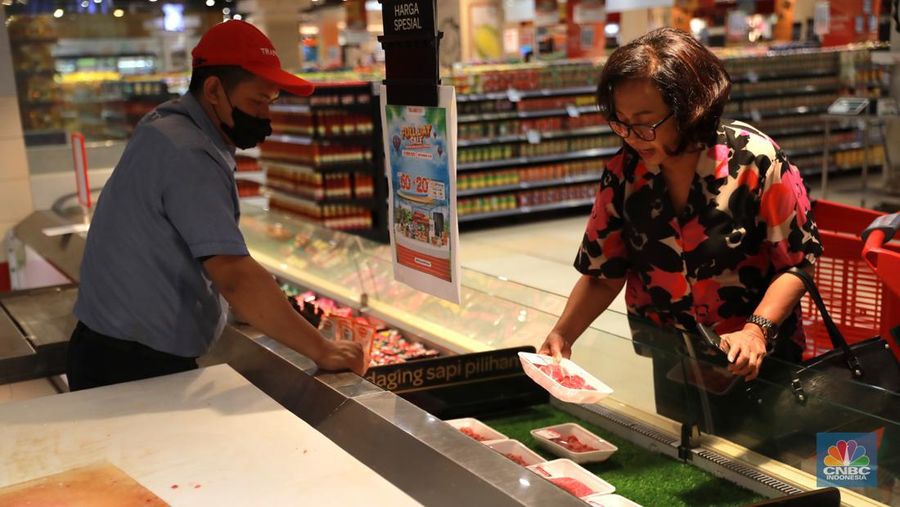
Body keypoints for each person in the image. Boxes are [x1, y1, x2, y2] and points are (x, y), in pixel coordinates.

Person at [68, 20, 366, 391]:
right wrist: (322, 349)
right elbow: (234, 275)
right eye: (257, 101)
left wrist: (241, 310)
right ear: (213, 90)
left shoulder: (165, 125)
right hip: (131, 364)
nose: (265, 116)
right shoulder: (189, 153)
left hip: (110, 346)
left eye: (270, 103)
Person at [539, 28, 823, 382]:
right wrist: (563, 334)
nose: (629, 137)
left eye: (644, 124)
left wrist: (756, 329)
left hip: (755, 361)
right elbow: (603, 273)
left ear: (691, 109)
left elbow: (798, 265)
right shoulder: (624, 172)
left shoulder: (755, 159)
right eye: (620, 123)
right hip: (671, 356)